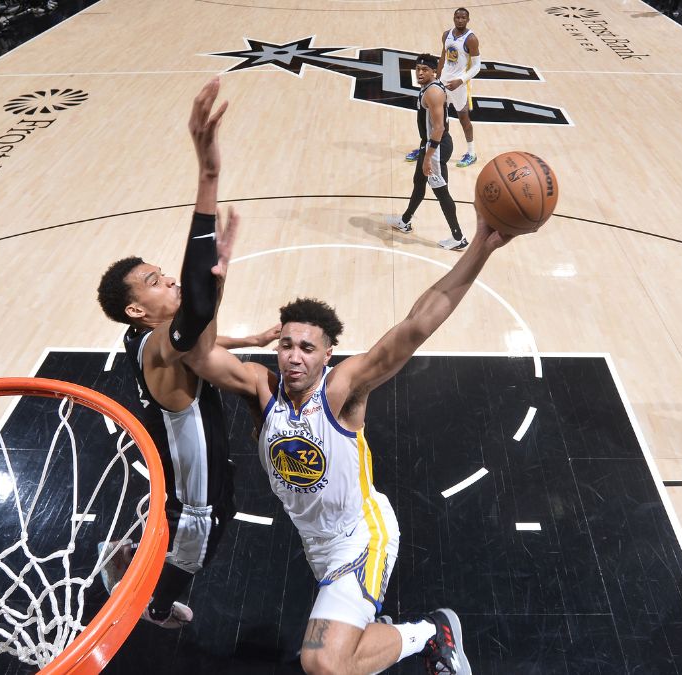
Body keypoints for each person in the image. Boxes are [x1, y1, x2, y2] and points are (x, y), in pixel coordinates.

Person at [179, 99, 520, 675]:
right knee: (339, 655)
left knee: (323, 667)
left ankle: (431, 632)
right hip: (318, 549)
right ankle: (408, 634)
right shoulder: (260, 390)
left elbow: (417, 323)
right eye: (285, 344)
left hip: (363, 538)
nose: (292, 356)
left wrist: (481, 247)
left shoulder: (341, 390)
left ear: (327, 354)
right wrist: (213, 283)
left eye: (307, 347)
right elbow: (198, 352)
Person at [94, 78, 280, 630]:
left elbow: (199, 335)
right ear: (135, 309)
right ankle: (153, 606)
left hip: (179, 461)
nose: (167, 277)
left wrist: (245, 339)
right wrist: (208, 176)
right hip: (193, 485)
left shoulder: (147, 341)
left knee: (172, 514)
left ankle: (131, 550)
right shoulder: (159, 343)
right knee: (199, 538)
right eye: (154, 280)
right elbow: (196, 314)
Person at [389, 53, 469, 251]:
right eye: (417, 69)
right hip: (431, 144)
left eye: (425, 70)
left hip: (437, 146)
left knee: (441, 192)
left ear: (435, 71)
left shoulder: (433, 92)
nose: (420, 73)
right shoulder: (429, 88)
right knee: (419, 182)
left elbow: (439, 128)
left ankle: (458, 237)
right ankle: (405, 221)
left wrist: (428, 157)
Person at [404, 7, 481, 169]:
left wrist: (460, 80)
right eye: (457, 17)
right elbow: (443, 57)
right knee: (433, 117)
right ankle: (426, 147)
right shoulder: (446, 35)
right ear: (454, 18)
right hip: (443, 81)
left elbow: (477, 67)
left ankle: (471, 153)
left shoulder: (471, 39)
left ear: (468, 20)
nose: (460, 20)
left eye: (463, 18)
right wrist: (437, 77)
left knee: (463, 118)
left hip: (459, 85)